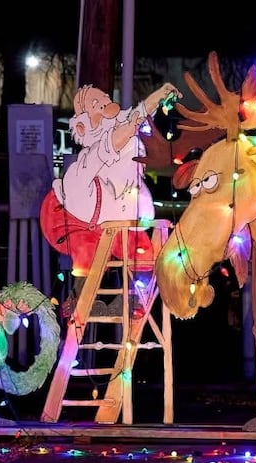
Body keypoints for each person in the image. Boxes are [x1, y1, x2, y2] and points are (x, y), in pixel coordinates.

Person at [40, 81, 182, 315]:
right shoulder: (94, 153)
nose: (106, 104)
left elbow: (136, 116)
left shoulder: (125, 135)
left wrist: (158, 96)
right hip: (79, 220)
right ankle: (83, 298)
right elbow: (114, 141)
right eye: (97, 104)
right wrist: (137, 119)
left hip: (116, 216)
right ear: (85, 125)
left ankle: (134, 299)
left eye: (105, 98)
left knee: (141, 250)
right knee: (87, 253)